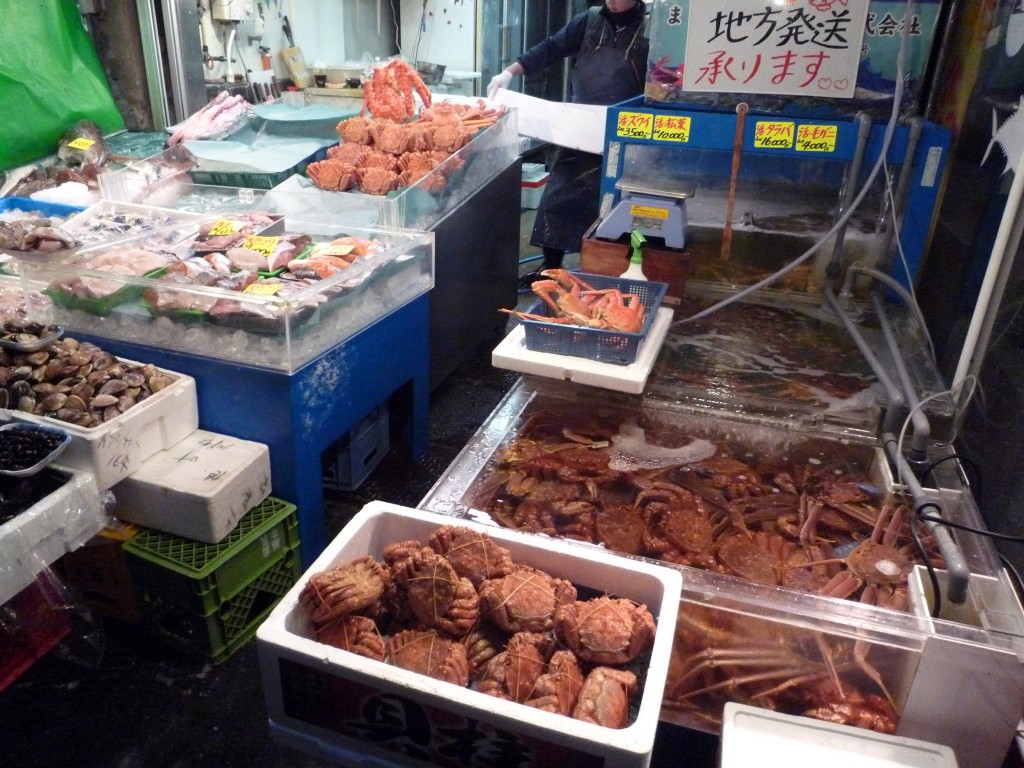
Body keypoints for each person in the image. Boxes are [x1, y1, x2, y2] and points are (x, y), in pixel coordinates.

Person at [488, 0, 649, 287]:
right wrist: (510, 72)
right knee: (557, 198)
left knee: (614, 207)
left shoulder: (653, 27)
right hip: (579, 127)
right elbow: (551, 48)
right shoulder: (587, 20)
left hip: (625, 132)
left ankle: (610, 273)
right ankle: (551, 270)